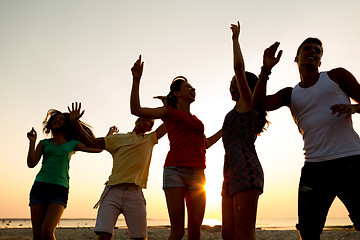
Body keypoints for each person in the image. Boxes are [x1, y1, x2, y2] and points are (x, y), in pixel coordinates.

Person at [253, 37, 360, 239]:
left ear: (320, 61)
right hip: (314, 168)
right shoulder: (290, 94)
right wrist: (265, 71)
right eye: (308, 49)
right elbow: (258, 104)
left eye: (318, 51)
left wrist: (354, 107)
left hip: (351, 161)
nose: (313, 52)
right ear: (296, 58)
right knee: (308, 232)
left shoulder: (337, 76)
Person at [130, 56, 222, 240]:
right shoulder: (168, 112)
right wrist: (136, 79)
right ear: (177, 93)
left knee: (195, 232)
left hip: (198, 174)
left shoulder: (197, 121)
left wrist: (225, 128)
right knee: (178, 232)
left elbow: (207, 144)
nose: (193, 89)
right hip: (174, 172)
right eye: (188, 87)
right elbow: (136, 109)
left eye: (193, 87)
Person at [68, 102, 166, 240]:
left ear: (149, 128)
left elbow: (169, 123)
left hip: (135, 193)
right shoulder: (118, 138)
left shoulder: (150, 139)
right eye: (142, 117)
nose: (144, 119)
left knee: (139, 237)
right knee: (104, 234)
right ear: (136, 119)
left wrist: (167, 105)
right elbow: (91, 142)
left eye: (148, 120)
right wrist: (75, 122)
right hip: (112, 191)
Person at [221, 22, 280, 240]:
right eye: (231, 83)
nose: (232, 85)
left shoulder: (249, 103)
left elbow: (238, 68)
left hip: (246, 170)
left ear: (247, 87)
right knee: (227, 233)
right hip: (229, 173)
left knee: (245, 234)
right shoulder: (235, 110)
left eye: (236, 82)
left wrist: (235, 40)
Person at [27, 109, 101, 240]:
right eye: (55, 119)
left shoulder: (72, 144)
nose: (57, 120)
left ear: (66, 124)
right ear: (50, 123)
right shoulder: (44, 143)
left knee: (48, 232)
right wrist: (32, 141)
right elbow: (31, 163)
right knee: (37, 235)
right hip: (39, 187)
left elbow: (97, 148)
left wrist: (76, 121)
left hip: (59, 189)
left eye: (61, 119)